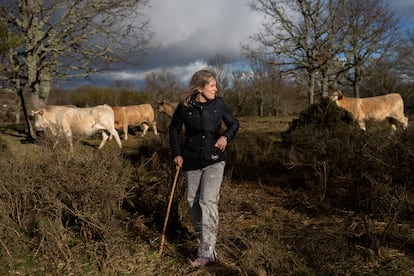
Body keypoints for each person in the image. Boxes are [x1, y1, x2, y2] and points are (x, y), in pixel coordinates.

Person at [169, 69, 239, 267]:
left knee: (207, 201)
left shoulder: (219, 104)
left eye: (215, 85)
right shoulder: (184, 107)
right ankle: (204, 242)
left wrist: (226, 136)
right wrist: (177, 153)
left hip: (215, 159)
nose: (215, 89)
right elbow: (174, 129)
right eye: (212, 85)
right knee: (193, 202)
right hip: (190, 159)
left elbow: (234, 124)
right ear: (200, 88)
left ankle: (207, 252)